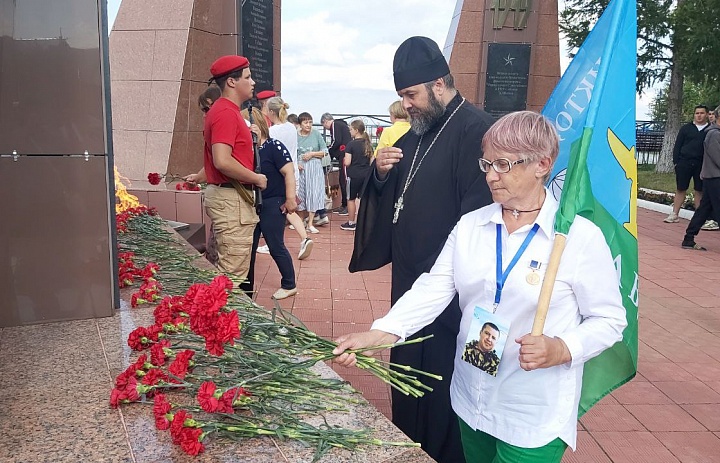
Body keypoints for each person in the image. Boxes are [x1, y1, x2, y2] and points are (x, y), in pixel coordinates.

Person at [336, 111, 627, 463]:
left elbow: (610, 320)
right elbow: (434, 289)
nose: (490, 175)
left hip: (531, 411)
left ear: (542, 164)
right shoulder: (472, 226)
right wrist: (380, 334)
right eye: (486, 163)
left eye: (503, 164)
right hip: (470, 398)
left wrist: (562, 348)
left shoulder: (577, 238)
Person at [348, 36, 495, 463]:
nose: (407, 105)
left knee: (450, 392)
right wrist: (378, 174)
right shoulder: (415, 136)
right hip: (410, 290)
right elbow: (395, 198)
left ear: (438, 83)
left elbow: (481, 223)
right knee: (409, 386)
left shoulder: (477, 131)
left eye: (411, 95)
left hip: (453, 296)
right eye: (401, 97)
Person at [201, 55, 266, 282]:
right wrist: (256, 178)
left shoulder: (222, 111)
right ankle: (223, 317)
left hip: (229, 197)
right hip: (231, 200)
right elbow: (222, 160)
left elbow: (215, 158)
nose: (253, 82)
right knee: (232, 276)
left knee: (229, 270)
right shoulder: (226, 113)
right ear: (231, 82)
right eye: (247, 77)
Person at [241, 107, 299, 299]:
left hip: (272, 202)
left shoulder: (274, 146)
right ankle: (245, 289)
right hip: (252, 202)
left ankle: (289, 283)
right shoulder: (246, 149)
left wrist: (290, 199)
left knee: (275, 245)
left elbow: (288, 172)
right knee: (249, 247)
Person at [262, 96, 314, 259]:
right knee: (288, 209)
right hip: (293, 173)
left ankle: (274, 242)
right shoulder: (291, 128)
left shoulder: (272, 132)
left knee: (278, 209)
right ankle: (304, 238)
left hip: (279, 176)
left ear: (271, 112)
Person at [682, 105, 720, 249]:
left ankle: (689, 238)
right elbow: (717, 157)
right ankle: (689, 237)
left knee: (704, 209)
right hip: (715, 177)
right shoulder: (714, 134)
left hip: (713, 177)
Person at [664, 105, 710, 223]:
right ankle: (674, 214)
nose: (699, 115)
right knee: (681, 188)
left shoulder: (710, 130)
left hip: (701, 163)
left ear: (707, 114)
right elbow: (677, 146)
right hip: (684, 162)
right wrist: (676, 162)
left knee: (699, 190)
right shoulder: (686, 129)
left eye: (702, 113)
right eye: (697, 113)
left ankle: (699, 217)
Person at [296, 112, 328, 233]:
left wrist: (313, 154)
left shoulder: (316, 134)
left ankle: (310, 223)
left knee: (313, 193)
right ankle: (301, 220)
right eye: (305, 122)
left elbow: (325, 151)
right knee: (300, 194)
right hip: (301, 167)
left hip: (314, 166)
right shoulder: (296, 136)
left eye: (310, 122)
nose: (308, 125)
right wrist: (296, 163)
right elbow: (292, 152)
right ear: (300, 124)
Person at [340, 120, 373, 231]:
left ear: (356, 130)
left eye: (351, 129)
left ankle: (351, 222)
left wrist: (344, 160)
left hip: (354, 175)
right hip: (366, 175)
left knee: (351, 199)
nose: (350, 132)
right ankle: (364, 222)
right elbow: (372, 161)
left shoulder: (351, 144)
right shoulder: (368, 144)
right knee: (364, 198)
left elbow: (348, 162)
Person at [321, 112, 352, 216]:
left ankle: (346, 205)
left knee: (344, 179)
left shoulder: (335, 125)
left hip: (344, 155)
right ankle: (344, 204)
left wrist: (328, 150)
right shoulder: (341, 125)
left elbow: (336, 141)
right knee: (342, 179)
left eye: (323, 125)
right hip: (344, 154)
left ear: (325, 121)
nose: (325, 127)